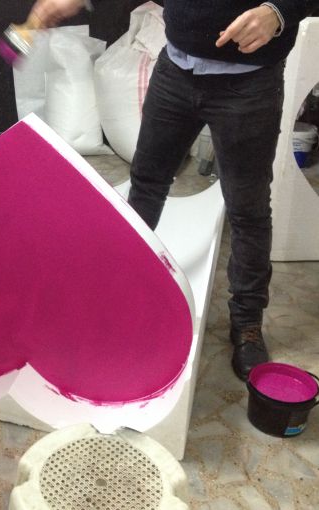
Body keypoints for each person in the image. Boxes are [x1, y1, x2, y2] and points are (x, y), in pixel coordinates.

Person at [30, 0, 318, 380]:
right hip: (176, 70)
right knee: (145, 187)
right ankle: (119, 295)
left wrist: (277, 12)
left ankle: (247, 323)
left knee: (247, 210)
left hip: (249, 84)